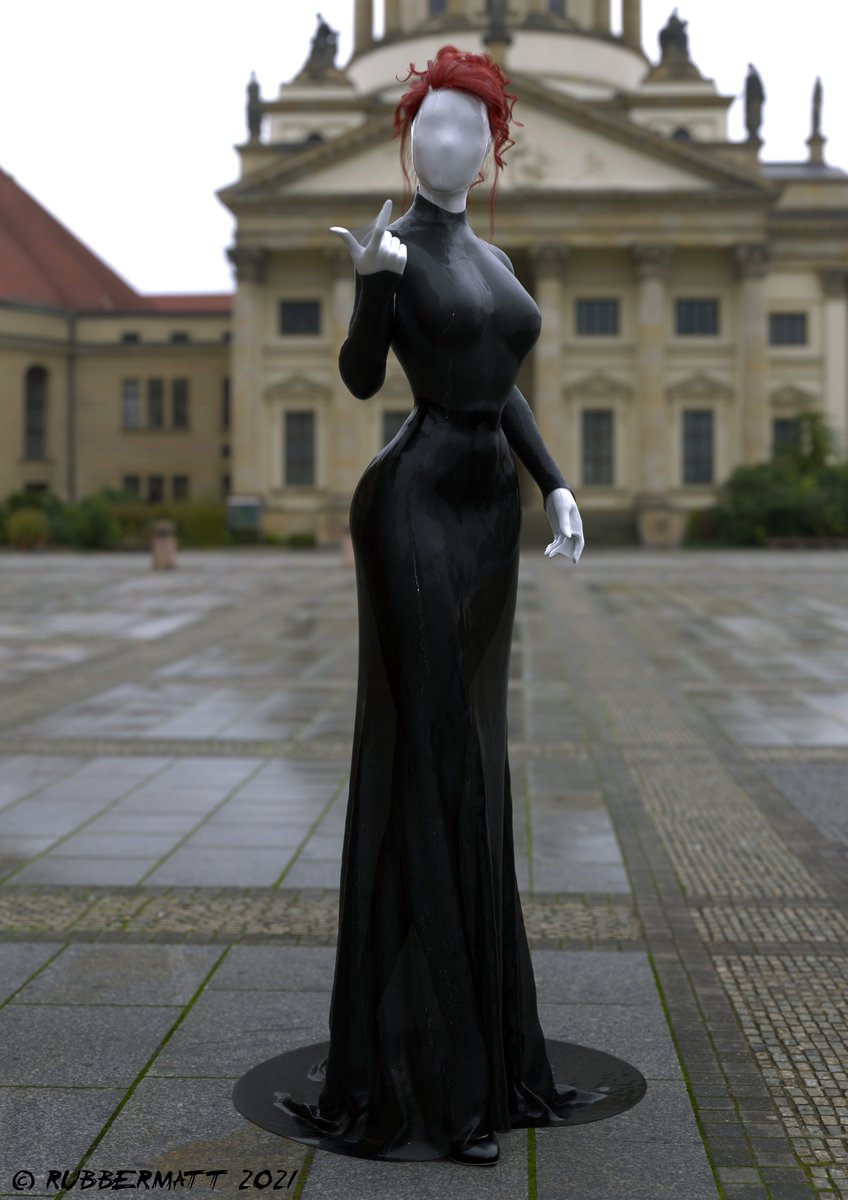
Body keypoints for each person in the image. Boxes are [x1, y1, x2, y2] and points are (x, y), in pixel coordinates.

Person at [268, 44, 601, 1166]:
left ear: (493, 140)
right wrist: (372, 280)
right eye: (425, 121)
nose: (439, 138)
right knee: (435, 756)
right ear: (409, 134)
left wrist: (553, 482)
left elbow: (498, 383)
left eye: (464, 124)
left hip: (489, 514)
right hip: (410, 501)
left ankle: (479, 1049)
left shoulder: (498, 259)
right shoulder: (399, 243)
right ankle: (437, 1077)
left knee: (476, 759)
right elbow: (365, 381)